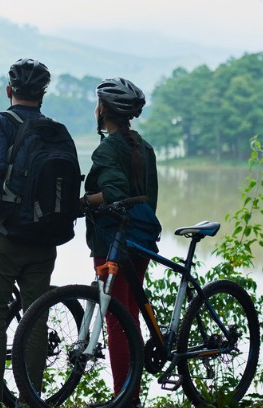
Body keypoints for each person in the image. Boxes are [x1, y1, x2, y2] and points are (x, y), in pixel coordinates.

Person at [0, 58, 59, 408]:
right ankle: (29, 400)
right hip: (45, 239)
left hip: (6, 237)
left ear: (9, 91)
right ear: (43, 94)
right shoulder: (53, 128)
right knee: (35, 318)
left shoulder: (0, 122)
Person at [81, 77, 157, 408]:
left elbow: (112, 193)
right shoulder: (144, 146)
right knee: (129, 316)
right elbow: (150, 197)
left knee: (116, 318)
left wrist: (82, 202)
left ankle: (123, 399)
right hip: (141, 238)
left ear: (104, 110)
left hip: (113, 242)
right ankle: (131, 395)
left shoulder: (108, 149)